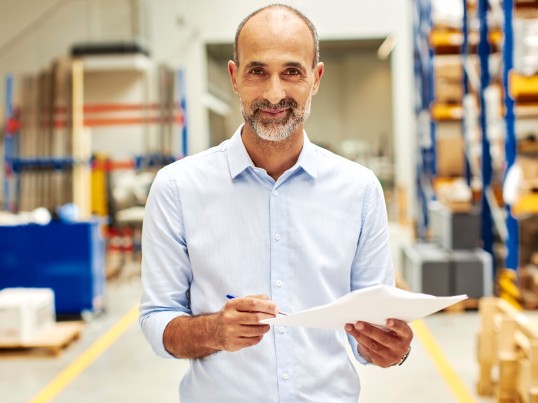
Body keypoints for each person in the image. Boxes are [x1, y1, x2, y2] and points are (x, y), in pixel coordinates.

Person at [140, 3, 413, 402]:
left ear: (315, 78)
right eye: (257, 71)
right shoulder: (178, 188)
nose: (273, 93)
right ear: (235, 76)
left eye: (291, 72)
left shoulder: (359, 190)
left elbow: (370, 331)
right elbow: (156, 320)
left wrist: (390, 347)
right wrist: (214, 331)